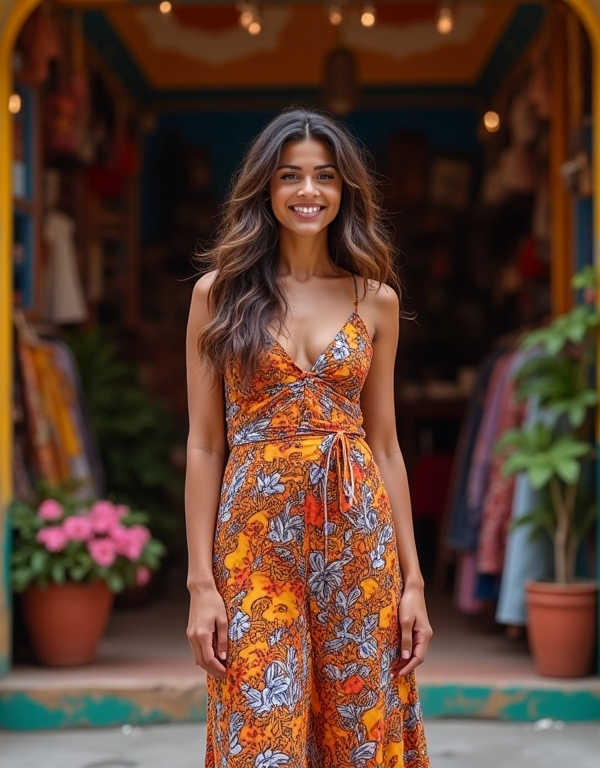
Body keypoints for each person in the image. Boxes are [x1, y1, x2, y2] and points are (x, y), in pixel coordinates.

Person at [185, 108, 432, 767]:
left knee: (359, 726)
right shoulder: (219, 294)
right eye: (290, 175)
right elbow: (205, 443)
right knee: (260, 731)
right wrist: (201, 584)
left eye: (325, 176)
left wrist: (414, 581)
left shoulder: (372, 298)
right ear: (265, 188)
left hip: (358, 538)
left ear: (345, 189)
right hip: (254, 543)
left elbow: (385, 444)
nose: (308, 191)